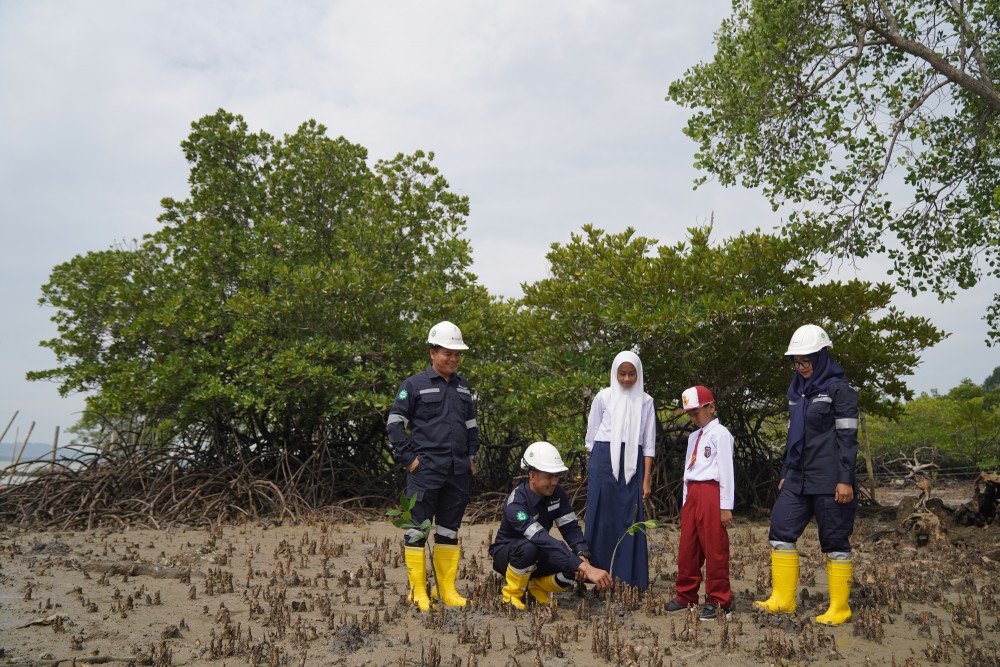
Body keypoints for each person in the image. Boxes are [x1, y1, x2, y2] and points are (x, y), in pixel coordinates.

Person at [755, 324, 859, 626]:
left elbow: (848, 440)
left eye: (806, 361)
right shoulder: (797, 391)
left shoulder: (841, 391)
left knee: (835, 540)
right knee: (780, 528)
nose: (801, 367)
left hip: (831, 478)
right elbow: (793, 437)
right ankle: (783, 600)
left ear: (821, 356)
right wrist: (787, 471)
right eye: (796, 362)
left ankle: (840, 607)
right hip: (798, 477)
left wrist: (845, 479)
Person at [387, 320, 479, 611]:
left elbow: (472, 426)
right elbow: (394, 425)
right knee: (416, 530)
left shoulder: (464, 387)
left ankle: (445, 590)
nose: (452, 358)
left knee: (449, 530)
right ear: (432, 352)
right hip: (425, 470)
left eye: (457, 353)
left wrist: (472, 456)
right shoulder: (413, 385)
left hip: (457, 471)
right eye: (447, 352)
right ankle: (418, 592)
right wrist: (410, 461)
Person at [489, 441, 613, 608]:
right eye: (549, 476)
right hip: (509, 556)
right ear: (532, 475)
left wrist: (582, 554)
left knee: (573, 567)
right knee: (529, 548)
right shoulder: (516, 505)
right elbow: (540, 538)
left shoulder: (557, 493)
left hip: (539, 552)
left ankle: (536, 588)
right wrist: (585, 567)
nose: (555, 482)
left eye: (557, 476)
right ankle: (512, 596)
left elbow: (569, 527)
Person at [584, 351, 656, 588]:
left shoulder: (646, 401)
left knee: (629, 516)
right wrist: (596, 467)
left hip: (633, 464)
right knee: (600, 516)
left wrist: (646, 478)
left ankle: (628, 578)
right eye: (622, 374)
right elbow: (591, 436)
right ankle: (595, 575)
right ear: (615, 373)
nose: (626, 379)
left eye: (631, 374)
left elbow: (648, 444)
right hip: (603, 461)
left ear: (639, 374)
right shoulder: (603, 397)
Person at [665, 386, 736, 620]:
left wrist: (725, 506)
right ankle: (686, 595)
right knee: (688, 547)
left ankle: (719, 602)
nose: (693, 418)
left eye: (697, 412)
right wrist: (686, 501)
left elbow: (726, 471)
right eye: (690, 414)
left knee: (714, 547)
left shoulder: (721, 434)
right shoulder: (694, 437)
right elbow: (688, 470)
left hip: (711, 492)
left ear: (711, 407)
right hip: (693, 493)